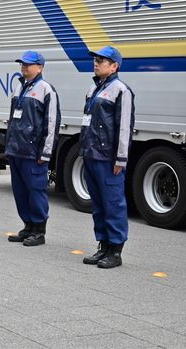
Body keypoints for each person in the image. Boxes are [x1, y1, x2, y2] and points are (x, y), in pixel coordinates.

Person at [80, 46, 134, 269]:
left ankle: (115, 251)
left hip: (108, 157)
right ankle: (103, 246)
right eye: (95, 60)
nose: (96, 63)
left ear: (114, 66)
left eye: (101, 60)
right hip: (91, 153)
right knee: (99, 205)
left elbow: (124, 127)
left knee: (113, 204)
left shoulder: (121, 90)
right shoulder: (93, 88)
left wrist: (120, 158)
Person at [5, 51, 60, 247]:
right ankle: (28, 226)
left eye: (28, 64)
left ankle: (39, 230)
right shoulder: (19, 87)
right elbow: (12, 119)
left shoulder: (46, 90)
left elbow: (51, 123)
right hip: (16, 150)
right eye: (22, 64)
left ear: (40, 67)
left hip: (33, 152)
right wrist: (9, 145)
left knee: (36, 191)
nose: (24, 67)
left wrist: (45, 152)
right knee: (20, 192)